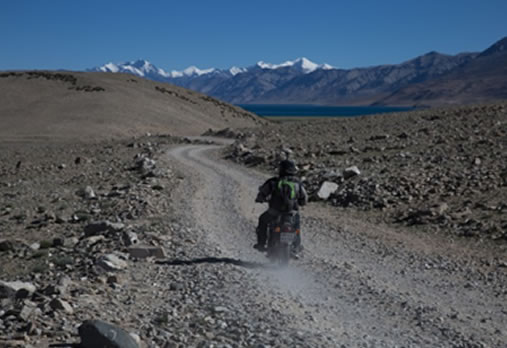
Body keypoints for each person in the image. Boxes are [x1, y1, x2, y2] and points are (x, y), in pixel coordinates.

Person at [254, 159, 308, 252]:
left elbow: (262, 193)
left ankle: (261, 244)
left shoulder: (273, 182)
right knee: (296, 227)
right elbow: (304, 198)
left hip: (274, 211)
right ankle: (296, 246)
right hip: (292, 212)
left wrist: (260, 199)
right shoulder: (298, 183)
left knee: (262, 220)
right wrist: (301, 203)